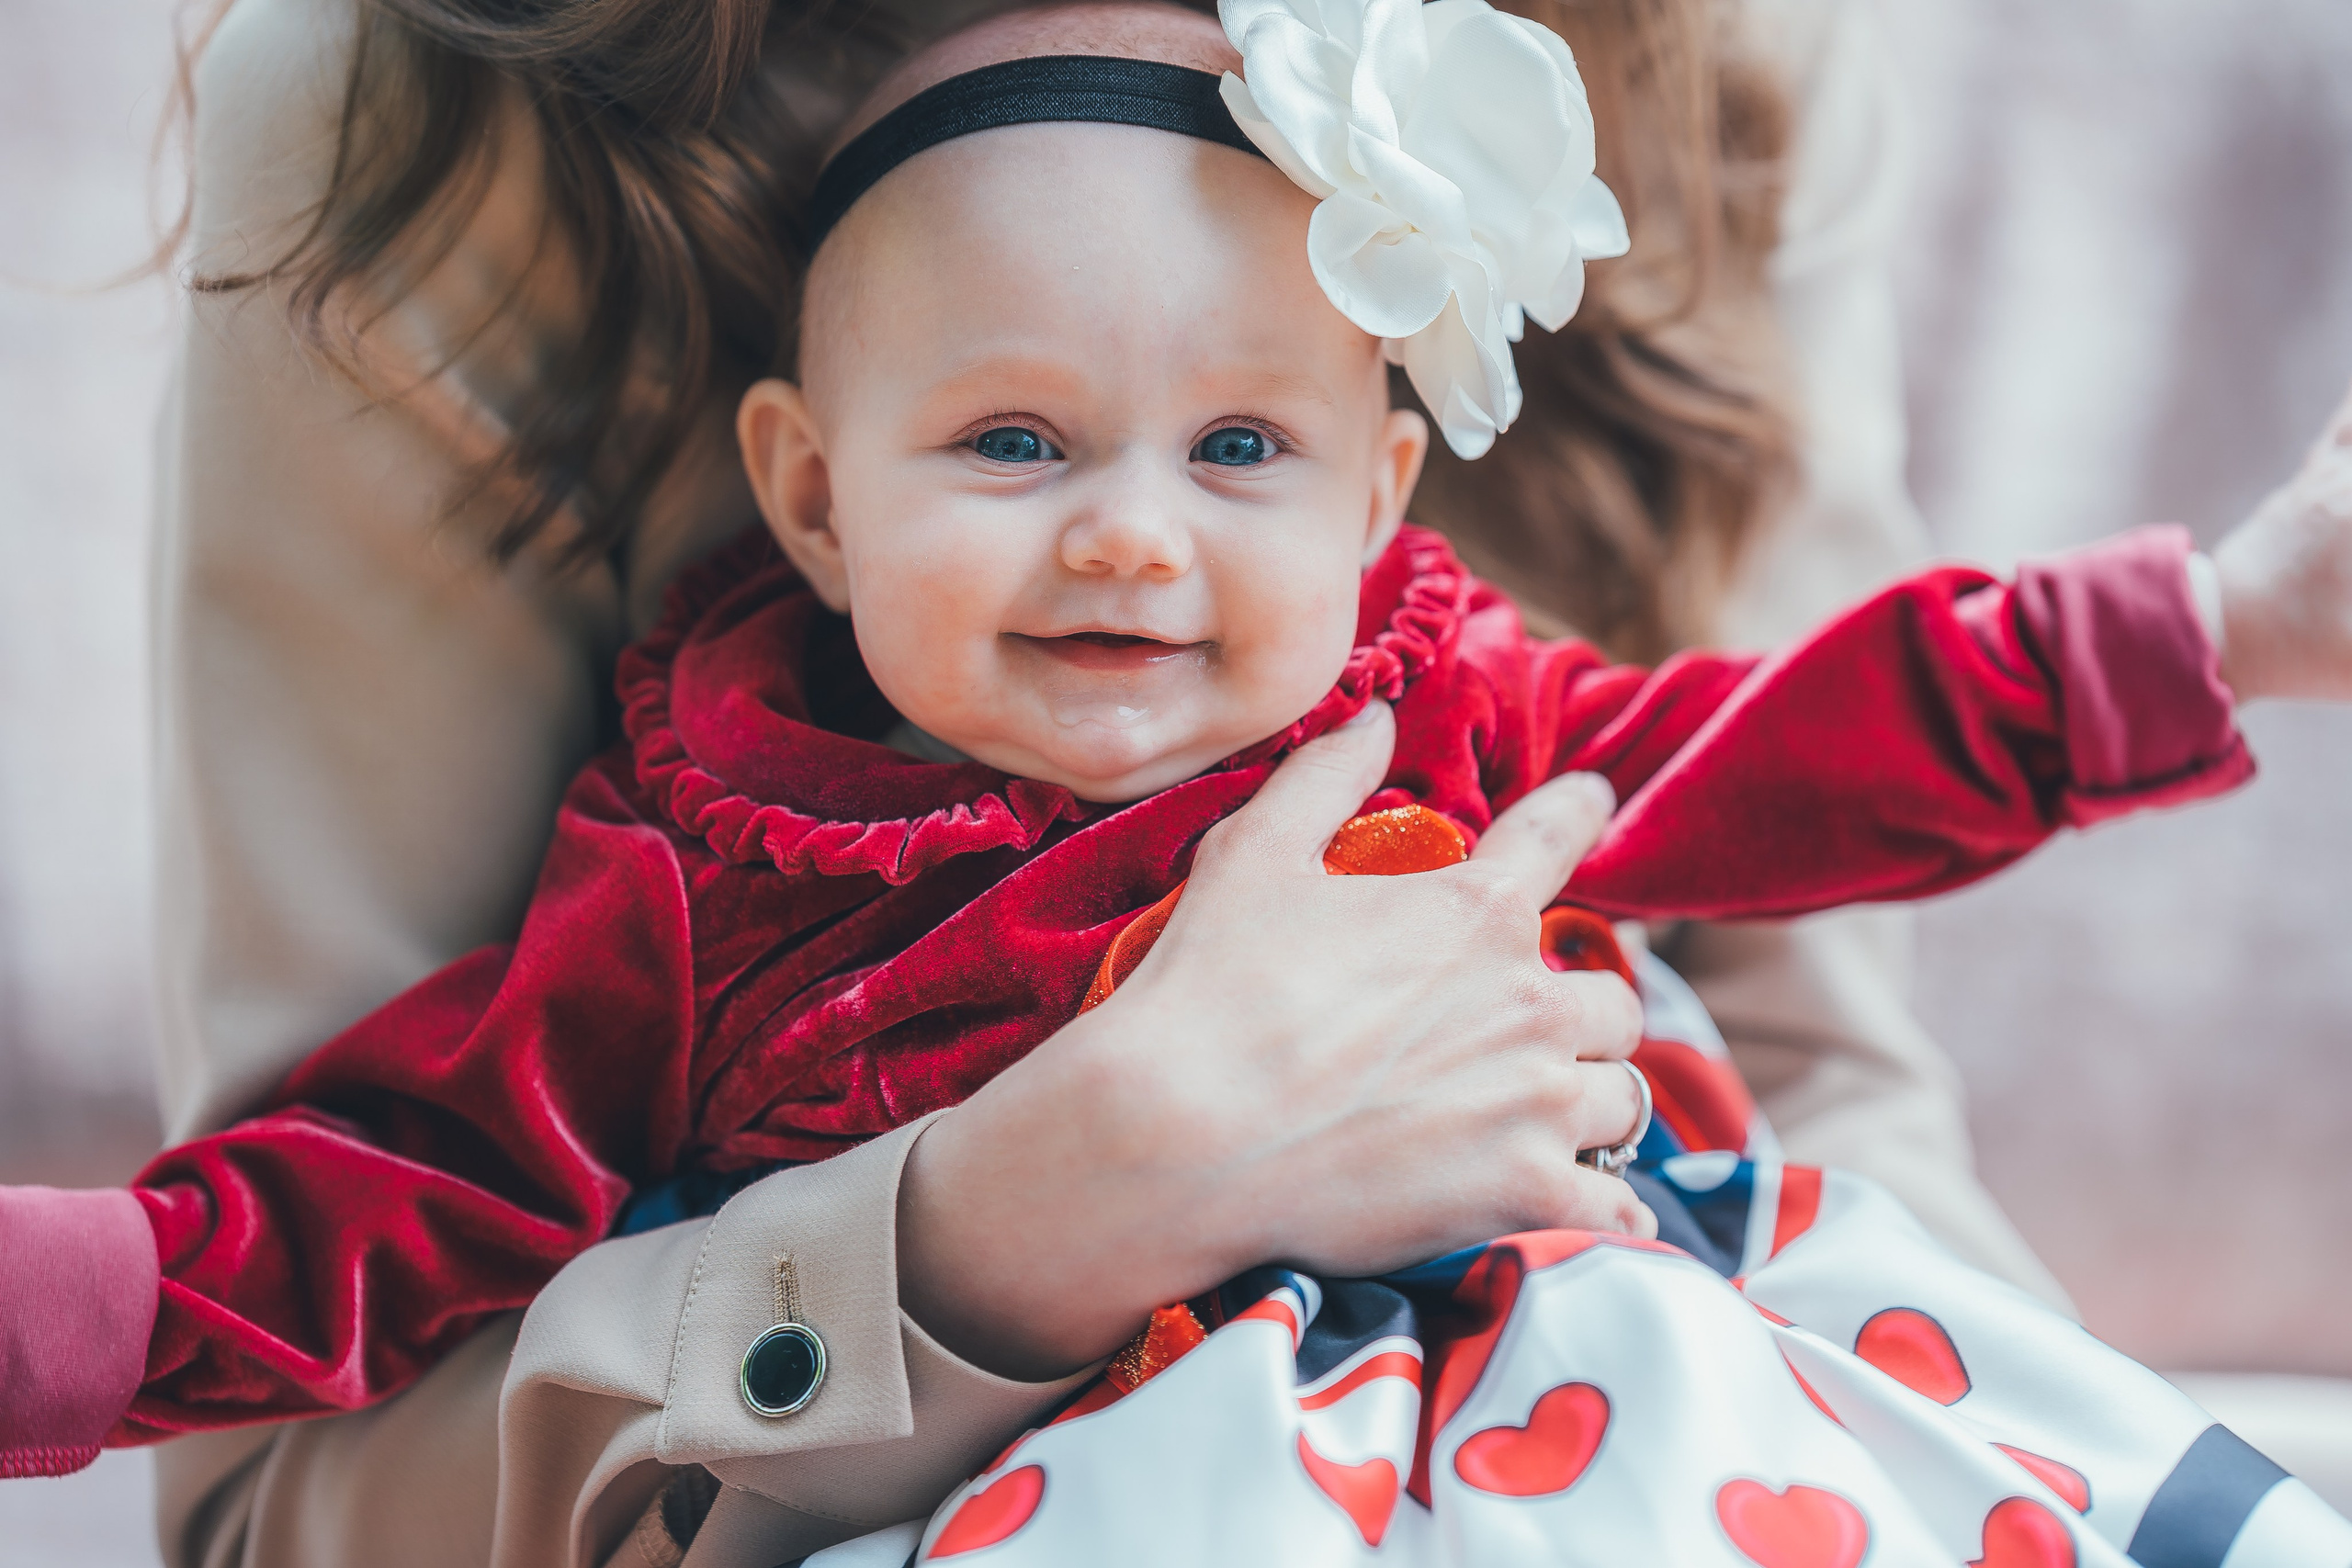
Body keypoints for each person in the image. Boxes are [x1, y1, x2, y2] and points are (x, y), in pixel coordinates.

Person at [13, 6, 2352, 1561]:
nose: (1130, 534)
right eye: (1013, 442)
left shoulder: (1448, 703)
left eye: (1239, 448)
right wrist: (999, 1227)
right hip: (1063, 1470)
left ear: (1374, 499)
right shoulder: (726, 836)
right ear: (809, 502)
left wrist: (2223, 623)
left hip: (1595, 1384)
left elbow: (1827, 767)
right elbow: (377, 1189)